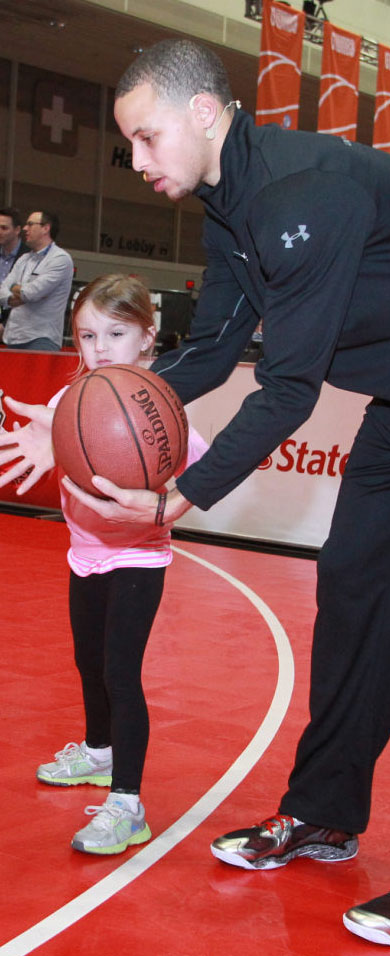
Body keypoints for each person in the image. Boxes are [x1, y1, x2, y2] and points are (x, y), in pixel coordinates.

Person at [0, 39, 390, 946]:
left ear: (201, 112)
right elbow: (214, 352)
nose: (138, 161)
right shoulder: (229, 211)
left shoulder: (301, 195)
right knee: (353, 585)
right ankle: (327, 812)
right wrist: (70, 410)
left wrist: (175, 496)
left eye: (145, 139)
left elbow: (290, 386)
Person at [7, 274, 206, 855]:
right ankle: (98, 753)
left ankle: (127, 804)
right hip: (84, 554)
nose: (99, 348)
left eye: (115, 334)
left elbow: (205, 470)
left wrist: (167, 497)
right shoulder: (69, 399)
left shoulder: (161, 411)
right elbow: (50, 446)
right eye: (87, 335)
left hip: (139, 557)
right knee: (87, 661)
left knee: (121, 672)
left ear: (148, 338)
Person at [0, 210, 73, 351]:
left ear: (46, 228)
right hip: (13, 337)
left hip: (41, 339)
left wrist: (14, 287)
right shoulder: (24, 258)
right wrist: (11, 298)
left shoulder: (60, 259)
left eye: (30, 224)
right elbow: (2, 290)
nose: (25, 229)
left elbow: (31, 293)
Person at [0, 207, 30, 333]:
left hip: (17, 326)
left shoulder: (30, 257)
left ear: (17, 230)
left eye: (4, 228)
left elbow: (28, 298)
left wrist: (6, 326)